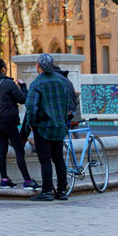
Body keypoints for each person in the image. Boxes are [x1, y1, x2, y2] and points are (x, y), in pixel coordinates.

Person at [22, 53, 78, 202]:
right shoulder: (61, 82)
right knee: (59, 159)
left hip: (43, 127)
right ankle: (62, 191)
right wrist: (63, 120)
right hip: (59, 127)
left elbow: (31, 107)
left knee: (45, 160)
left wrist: (32, 124)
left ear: (38, 66)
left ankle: (47, 191)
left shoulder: (37, 84)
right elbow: (67, 105)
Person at [0, 57, 35, 190]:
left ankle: (4, 180)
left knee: (3, 149)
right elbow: (23, 99)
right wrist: (23, 86)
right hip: (9, 121)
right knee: (19, 149)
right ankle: (27, 180)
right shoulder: (9, 84)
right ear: (3, 69)